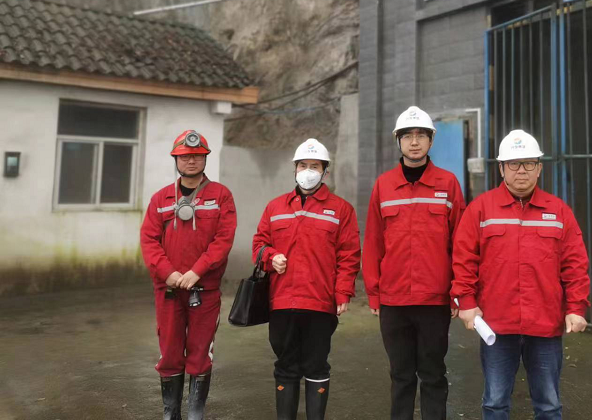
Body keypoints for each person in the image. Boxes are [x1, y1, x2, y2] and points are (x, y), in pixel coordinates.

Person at [451, 129, 590, 420]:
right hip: (497, 325)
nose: (522, 170)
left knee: (549, 405)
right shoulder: (481, 209)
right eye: (514, 164)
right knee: (495, 402)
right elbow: (464, 260)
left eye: (529, 163)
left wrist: (576, 307)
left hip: (545, 324)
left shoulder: (558, 211)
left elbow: (575, 264)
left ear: (539, 168)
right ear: (502, 168)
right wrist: (466, 302)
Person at [362, 106, 466, 420]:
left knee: (433, 374)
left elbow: (461, 243)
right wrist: (374, 293)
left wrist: (458, 292)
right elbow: (373, 243)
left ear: (431, 141)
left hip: (434, 299)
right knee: (401, 375)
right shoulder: (383, 185)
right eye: (408, 135)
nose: (415, 141)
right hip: (394, 301)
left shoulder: (448, 183)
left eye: (421, 135)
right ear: (399, 141)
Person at [252, 138, 361, 420]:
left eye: (315, 166)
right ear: (295, 169)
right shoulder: (275, 207)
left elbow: (349, 255)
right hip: (281, 301)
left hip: (320, 303)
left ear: (325, 172)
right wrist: (270, 257)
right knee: (285, 366)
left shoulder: (342, 210)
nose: (308, 171)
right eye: (303, 165)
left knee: (316, 365)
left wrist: (343, 292)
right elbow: (259, 245)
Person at [140, 130, 237, 420]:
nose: (191, 161)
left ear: (205, 158)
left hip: (204, 290)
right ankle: (171, 412)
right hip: (169, 290)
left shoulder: (221, 196)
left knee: (200, 351)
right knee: (170, 352)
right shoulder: (160, 198)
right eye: (185, 156)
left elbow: (223, 240)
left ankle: (195, 412)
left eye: (197, 155)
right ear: (176, 160)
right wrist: (167, 273)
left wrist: (197, 271)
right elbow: (149, 240)